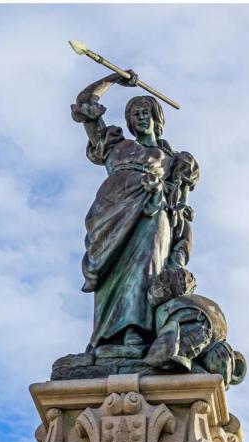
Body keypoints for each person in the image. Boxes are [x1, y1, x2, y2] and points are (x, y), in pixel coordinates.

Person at [71, 71, 197, 349]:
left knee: (145, 269)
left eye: (145, 113)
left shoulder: (173, 160)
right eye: (135, 114)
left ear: (156, 118)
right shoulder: (115, 144)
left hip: (151, 212)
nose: (140, 118)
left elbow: (181, 208)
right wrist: (114, 79)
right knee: (112, 274)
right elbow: (85, 103)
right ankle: (106, 337)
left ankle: (136, 332)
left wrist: (180, 249)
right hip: (111, 211)